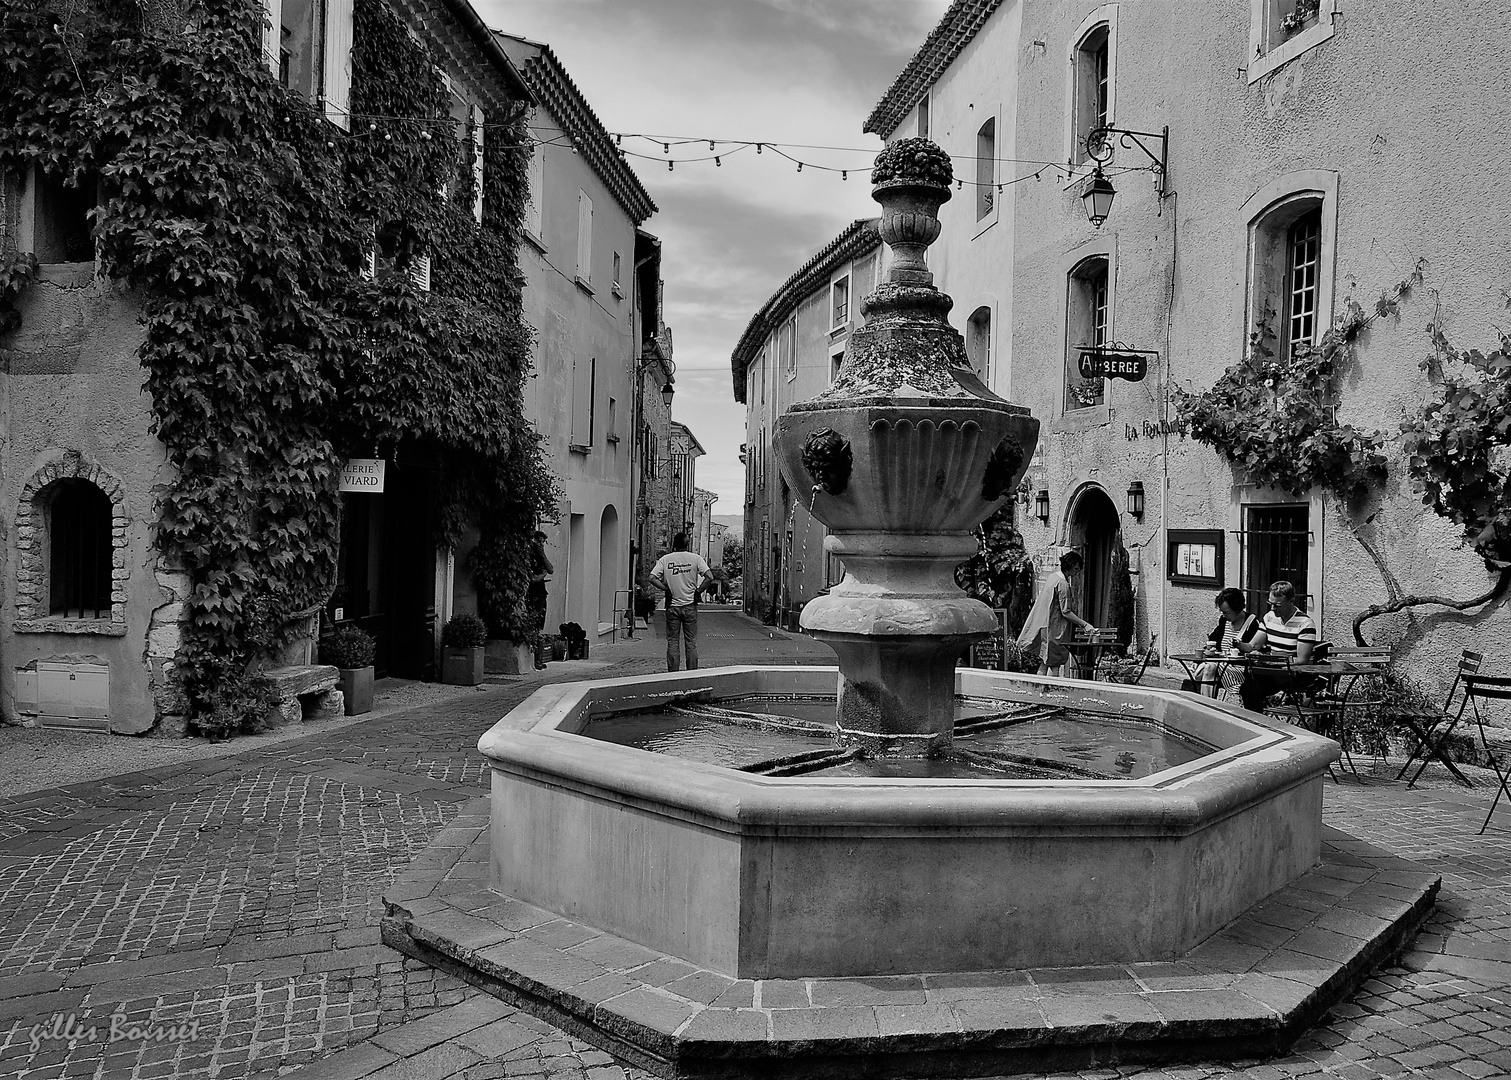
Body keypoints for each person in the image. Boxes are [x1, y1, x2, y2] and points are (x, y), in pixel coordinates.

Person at [1240, 580, 1318, 712]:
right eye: (1270, 604)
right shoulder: (1269, 617)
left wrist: (1274, 662)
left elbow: (1302, 660)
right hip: (1271, 670)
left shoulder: (1305, 623)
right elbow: (1253, 646)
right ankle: (1255, 720)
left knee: (1253, 685)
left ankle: (1256, 721)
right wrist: (1238, 644)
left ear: (1291, 601)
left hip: (1290, 673)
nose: (1272, 608)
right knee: (1249, 685)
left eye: (1277, 605)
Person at [1015, 550, 1094, 677]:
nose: (1077, 572)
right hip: (1055, 629)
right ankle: (1052, 693)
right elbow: (1066, 612)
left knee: (1045, 662)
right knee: (1054, 664)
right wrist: (1085, 625)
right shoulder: (1063, 584)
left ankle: (1039, 691)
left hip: (1045, 626)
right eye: (1076, 569)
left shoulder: (1053, 577)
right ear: (1069, 566)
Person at [650, 532, 711, 671]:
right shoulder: (695, 559)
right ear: (687, 544)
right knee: (691, 642)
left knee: (672, 641)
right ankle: (691, 673)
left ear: (674, 545)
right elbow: (709, 577)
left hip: (673, 606)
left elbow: (652, 577)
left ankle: (673, 674)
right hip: (690, 605)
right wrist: (698, 591)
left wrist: (665, 587)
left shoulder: (665, 560)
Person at [1196, 587, 1262, 699]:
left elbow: (1252, 649)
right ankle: (1207, 703)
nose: (1224, 615)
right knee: (1209, 669)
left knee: (1209, 668)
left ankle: (1205, 705)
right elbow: (1213, 641)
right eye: (1222, 612)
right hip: (1220, 665)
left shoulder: (1252, 624)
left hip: (1238, 668)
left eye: (1227, 612)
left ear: (1237, 608)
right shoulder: (1224, 621)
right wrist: (1209, 649)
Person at [527, 530, 553, 670]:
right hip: (532, 594)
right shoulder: (529, 554)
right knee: (533, 626)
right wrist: (541, 575)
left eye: (543, 542)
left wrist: (542, 554)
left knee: (538, 626)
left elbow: (550, 569)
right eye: (540, 541)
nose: (541, 544)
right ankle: (534, 659)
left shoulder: (540, 555)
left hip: (541, 594)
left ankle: (537, 659)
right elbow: (533, 577)